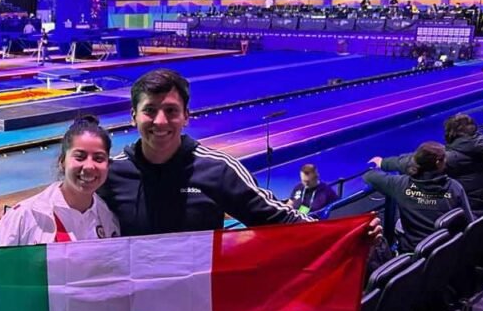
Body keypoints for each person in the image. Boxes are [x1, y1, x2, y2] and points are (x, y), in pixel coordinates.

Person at [99, 69, 320, 235]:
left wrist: (337, 236)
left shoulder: (218, 170)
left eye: (171, 110)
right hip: (133, 285)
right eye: (149, 110)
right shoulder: (111, 174)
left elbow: (278, 219)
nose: (160, 121)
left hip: (198, 285)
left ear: (186, 116)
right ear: (133, 117)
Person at [0, 116, 119, 247]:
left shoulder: (107, 217)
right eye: (80, 157)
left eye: (99, 158)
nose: (89, 166)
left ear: (108, 164)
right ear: (62, 162)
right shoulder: (25, 215)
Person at [364, 142, 472, 253]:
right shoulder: (455, 188)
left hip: (413, 252)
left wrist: (381, 163)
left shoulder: (400, 184)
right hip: (448, 250)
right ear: (438, 163)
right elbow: (469, 222)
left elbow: (370, 176)